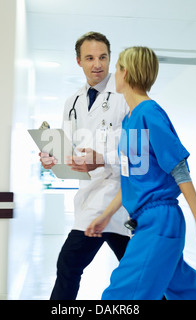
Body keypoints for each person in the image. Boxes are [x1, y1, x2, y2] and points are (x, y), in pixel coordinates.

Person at [85, 46, 196, 300]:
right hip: (147, 220)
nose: (114, 73)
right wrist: (105, 216)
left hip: (160, 220)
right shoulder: (130, 120)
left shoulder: (149, 113)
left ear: (125, 73)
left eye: (117, 68)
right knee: (185, 289)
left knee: (122, 294)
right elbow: (132, 180)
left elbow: (180, 169)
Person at [39, 32, 131, 300]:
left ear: (111, 59)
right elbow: (70, 153)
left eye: (103, 57)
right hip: (89, 200)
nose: (97, 64)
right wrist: (51, 159)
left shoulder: (126, 97)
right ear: (78, 61)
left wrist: (102, 158)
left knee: (73, 265)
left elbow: (139, 152)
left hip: (121, 199)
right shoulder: (73, 103)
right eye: (90, 58)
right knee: (71, 266)